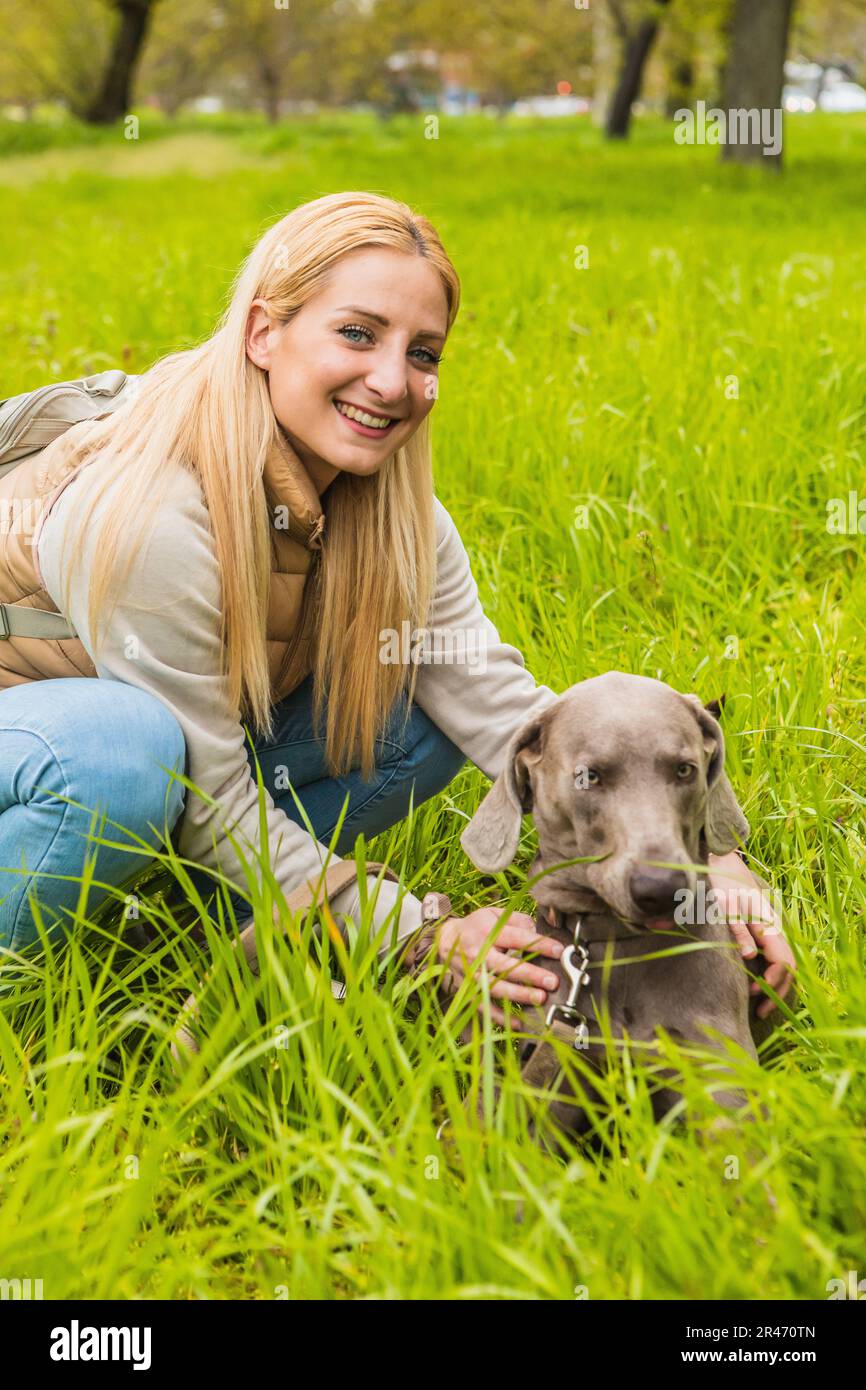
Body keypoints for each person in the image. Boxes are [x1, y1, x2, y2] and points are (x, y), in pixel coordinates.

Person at [0, 190, 794, 1027]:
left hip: (174, 757)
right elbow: (202, 787)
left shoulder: (392, 506)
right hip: (51, 742)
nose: (391, 380)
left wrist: (710, 863)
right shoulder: (155, 509)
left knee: (418, 716)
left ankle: (228, 918)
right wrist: (419, 931)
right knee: (127, 754)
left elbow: (499, 708)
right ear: (263, 332)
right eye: (356, 333)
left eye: (424, 353)